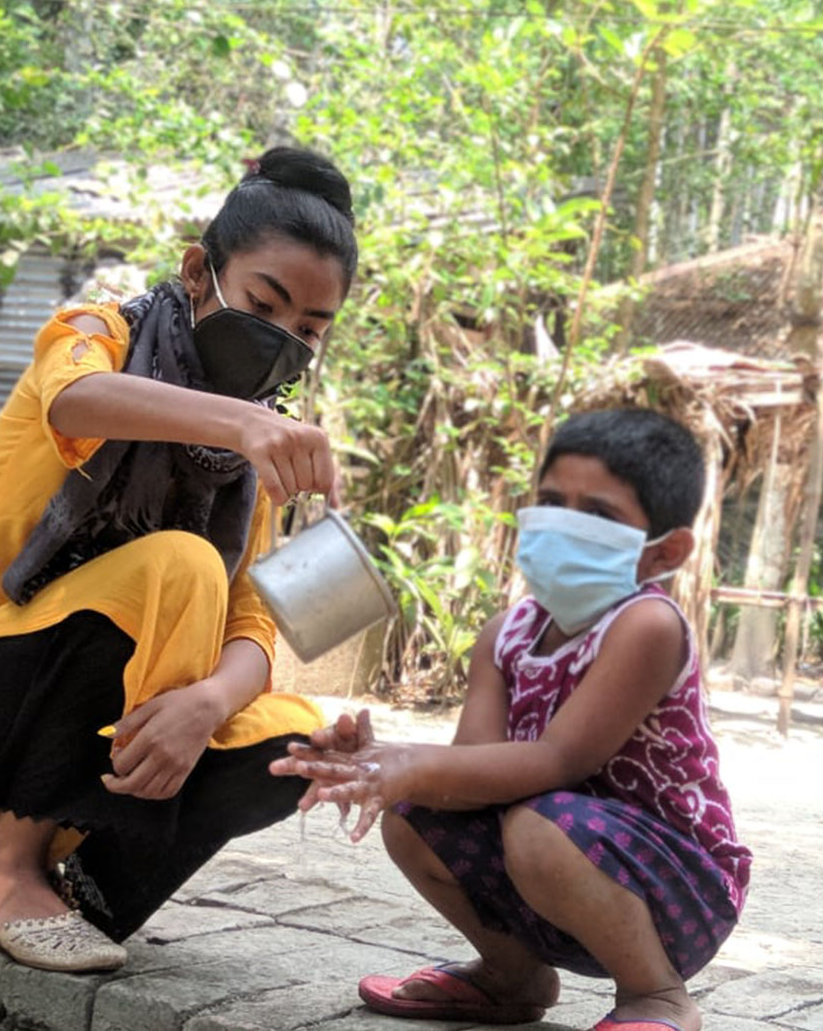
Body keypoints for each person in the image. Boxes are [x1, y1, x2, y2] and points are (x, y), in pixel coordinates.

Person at [0, 146, 358, 973]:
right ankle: (3, 869)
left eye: (307, 330)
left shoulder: (248, 456)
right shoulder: (102, 333)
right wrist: (237, 424)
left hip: (46, 750)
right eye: (264, 304)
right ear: (199, 270)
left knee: (302, 738)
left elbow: (253, 623)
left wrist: (207, 703)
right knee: (182, 568)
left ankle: (71, 880)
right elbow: (72, 399)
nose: (281, 342)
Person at [272, 408, 752, 1031]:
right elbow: (473, 768)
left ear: (666, 550)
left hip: (678, 888)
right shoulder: (506, 634)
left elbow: (558, 762)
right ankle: (512, 976)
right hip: (554, 861)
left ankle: (656, 995)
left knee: (536, 824)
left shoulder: (647, 625)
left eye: (599, 515)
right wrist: (380, 761)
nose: (564, 526)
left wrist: (408, 764)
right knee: (418, 815)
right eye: (552, 502)